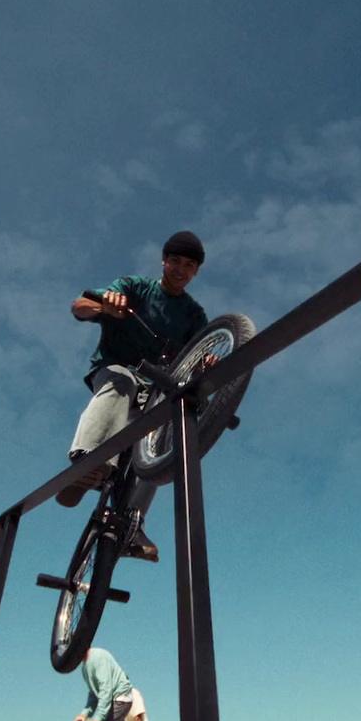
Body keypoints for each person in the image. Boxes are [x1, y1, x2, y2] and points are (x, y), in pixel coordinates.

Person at [57, 230, 214, 561]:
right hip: (117, 370)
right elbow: (79, 306)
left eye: (189, 265)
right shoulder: (133, 287)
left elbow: (198, 354)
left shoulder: (194, 315)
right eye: (175, 261)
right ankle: (89, 461)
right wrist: (106, 304)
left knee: (159, 439)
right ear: (164, 261)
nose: (180, 270)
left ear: (196, 271)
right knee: (122, 383)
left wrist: (207, 363)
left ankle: (132, 524)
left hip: (156, 390)